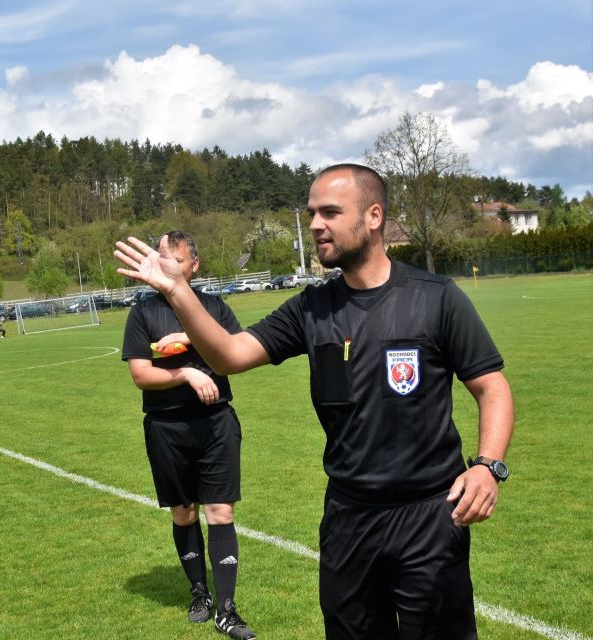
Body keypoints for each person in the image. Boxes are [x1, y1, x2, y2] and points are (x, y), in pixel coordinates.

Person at [114, 164, 514, 640]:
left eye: (329, 212)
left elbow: (492, 387)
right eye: (312, 214)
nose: (316, 225)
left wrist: (488, 466)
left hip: (429, 514)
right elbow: (230, 354)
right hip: (348, 517)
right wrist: (178, 291)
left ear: (373, 216)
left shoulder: (436, 298)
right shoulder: (311, 308)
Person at [121, 230, 256, 639]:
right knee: (185, 512)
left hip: (216, 423)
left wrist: (189, 337)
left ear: (194, 265)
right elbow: (141, 375)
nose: (169, 266)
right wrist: (186, 371)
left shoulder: (215, 308)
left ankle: (227, 609)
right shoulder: (143, 313)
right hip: (167, 428)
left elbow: (234, 355)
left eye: (177, 260)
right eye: (163, 258)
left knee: (222, 511)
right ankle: (199, 592)